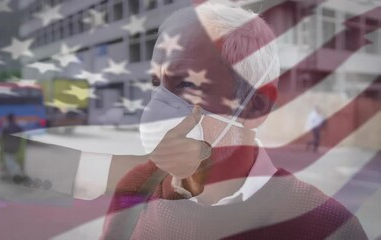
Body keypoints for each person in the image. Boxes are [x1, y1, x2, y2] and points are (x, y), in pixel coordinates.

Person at [96, 2, 367, 239]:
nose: (159, 106)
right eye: (157, 84)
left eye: (186, 84)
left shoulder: (326, 226)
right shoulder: (134, 188)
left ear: (254, 107)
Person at [0, 113, 27, 183]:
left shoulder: (5, 127)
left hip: (7, 146)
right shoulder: (18, 127)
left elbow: (2, 137)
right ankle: (16, 173)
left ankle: (15, 173)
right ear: (13, 119)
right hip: (15, 146)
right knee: (12, 159)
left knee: (9, 160)